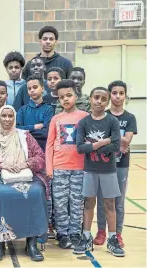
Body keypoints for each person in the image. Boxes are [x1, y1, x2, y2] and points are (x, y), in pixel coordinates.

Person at [0, 105, 49, 262]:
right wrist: (0, 164)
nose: (7, 119)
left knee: (35, 192)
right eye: (4, 116)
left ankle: (32, 242)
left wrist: (26, 163)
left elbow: (41, 158)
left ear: (15, 118)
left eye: (10, 116)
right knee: (2, 194)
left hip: (26, 175)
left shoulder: (25, 136)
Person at [74, 87, 124, 257]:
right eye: (96, 97)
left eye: (103, 99)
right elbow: (80, 148)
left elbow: (116, 146)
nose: (99, 101)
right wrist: (102, 143)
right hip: (90, 170)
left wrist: (95, 148)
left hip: (108, 170)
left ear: (107, 102)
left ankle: (112, 238)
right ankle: (86, 236)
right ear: (90, 99)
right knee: (89, 204)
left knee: (110, 205)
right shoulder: (84, 123)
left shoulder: (112, 122)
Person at [45, 80, 89, 249]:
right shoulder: (56, 118)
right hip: (59, 168)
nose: (65, 99)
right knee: (61, 203)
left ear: (76, 96)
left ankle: (75, 233)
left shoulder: (85, 117)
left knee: (77, 202)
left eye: (69, 95)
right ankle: (62, 233)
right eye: (61, 97)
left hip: (79, 168)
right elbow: (49, 144)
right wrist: (49, 168)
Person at [94, 81, 137, 248]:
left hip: (121, 164)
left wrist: (108, 141)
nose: (117, 96)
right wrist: (117, 142)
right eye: (114, 93)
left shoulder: (129, 118)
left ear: (125, 95)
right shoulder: (102, 115)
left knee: (118, 200)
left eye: (121, 93)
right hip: (102, 163)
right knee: (102, 199)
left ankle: (117, 233)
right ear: (109, 95)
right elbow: (97, 140)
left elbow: (127, 140)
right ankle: (101, 231)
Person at [16, 75, 54, 152]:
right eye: (29, 88)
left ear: (42, 89)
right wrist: (34, 127)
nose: (32, 90)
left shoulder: (49, 109)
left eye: (35, 87)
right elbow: (16, 129)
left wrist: (25, 132)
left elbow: (46, 132)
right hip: (25, 149)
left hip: (42, 148)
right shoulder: (22, 110)